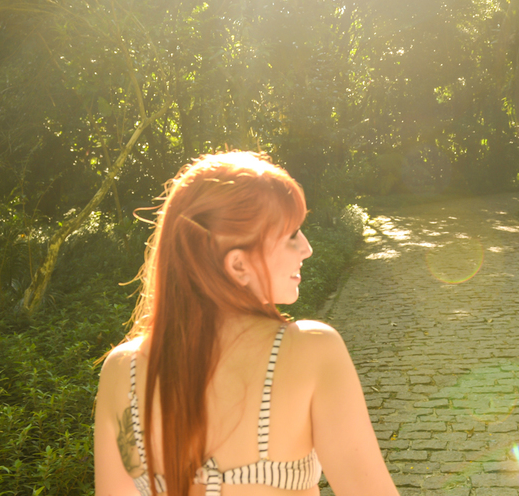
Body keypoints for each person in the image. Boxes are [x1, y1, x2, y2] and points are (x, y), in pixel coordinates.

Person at [94, 151, 399, 496]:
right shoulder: (312, 350)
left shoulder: (121, 371)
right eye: (291, 236)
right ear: (238, 265)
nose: (307, 249)